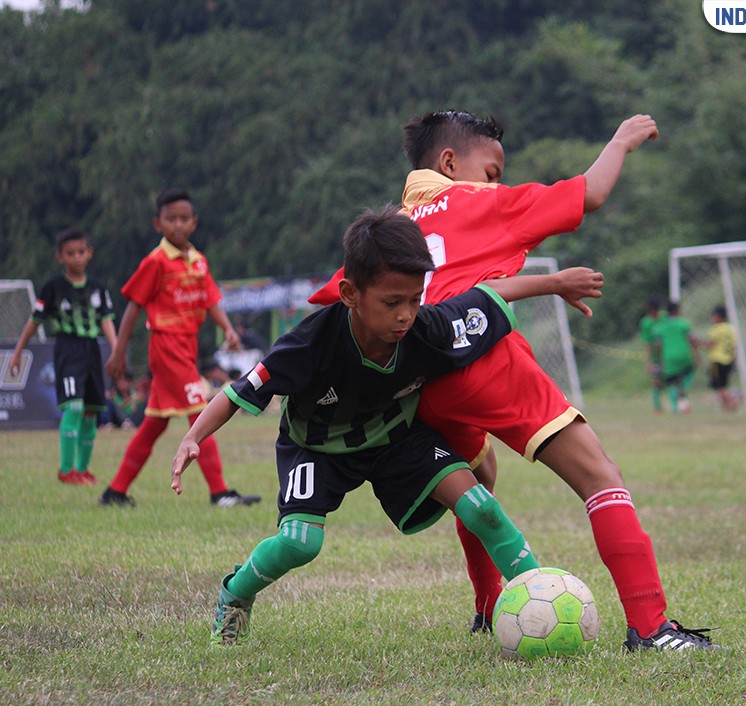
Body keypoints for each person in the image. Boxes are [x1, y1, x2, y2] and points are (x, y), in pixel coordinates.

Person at [309, 111, 720, 651]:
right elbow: (591, 193)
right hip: (480, 358)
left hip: (415, 382)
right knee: (599, 475)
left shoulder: (387, 236)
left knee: (478, 476)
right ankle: (651, 628)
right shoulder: (481, 202)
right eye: (492, 171)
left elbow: (331, 300)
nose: (496, 183)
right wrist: (621, 139)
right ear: (449, 163)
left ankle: (487, 608)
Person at [172, 207, 605, 645]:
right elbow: (237, 391)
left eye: (415, 299)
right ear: (350, 294)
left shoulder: (427, 328)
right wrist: (193, 436)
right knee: (300, 543)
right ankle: (235, 594)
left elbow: (487, 295)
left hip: (396, 438)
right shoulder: (308, 344)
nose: (406, 315)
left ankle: (537, 602)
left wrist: (555, 283)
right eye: (392, 302)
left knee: (482, 507)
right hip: (316, 448)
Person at [100, 188, 260, 508]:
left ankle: (115, 492)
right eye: (170, 219)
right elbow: (134, 306)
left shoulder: (198, 261)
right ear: (157, 224)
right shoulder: (155, 262)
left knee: (154, 425)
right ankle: (220, 493)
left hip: (187, 348)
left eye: (184, 218)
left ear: (194, 222)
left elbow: (210, 300)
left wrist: (228, 329)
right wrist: (118, 350)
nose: (178, 224)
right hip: (166, 348)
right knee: (201, 416)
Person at [8, 228, 117, 485]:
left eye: (81, 252)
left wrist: (116, 351)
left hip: (92, 350)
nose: (76, 257)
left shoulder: (98, 287)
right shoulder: (53, 288)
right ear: (60, 257)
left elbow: (106, 321)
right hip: (68, 349)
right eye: (70, 253)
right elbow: (35, 321)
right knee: (74, 406)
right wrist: (18, 352)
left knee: (90, 412)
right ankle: (66, 470)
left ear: (89, 253)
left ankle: (82, 469)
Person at [652, 301, 700, 415]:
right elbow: (692, 339)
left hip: (669, 358)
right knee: (688, 374)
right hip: (684, 356)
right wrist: (697, 354)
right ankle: (682, 396)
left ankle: (675, 406)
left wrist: (659, 359)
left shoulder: (661, 326)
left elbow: (658, 344)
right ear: (677, 311)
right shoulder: (683, 323)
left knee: (672, 383)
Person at [706, 305, 740, 412]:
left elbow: (711, 345)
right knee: (723, 385)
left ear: (719, 317)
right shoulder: (731, 328)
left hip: (718, 360)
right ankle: (726, 407)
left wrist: (699, 344)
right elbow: (735, 345)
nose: (712, 319)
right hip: (729, 360)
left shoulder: (716, 329)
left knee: (719, 386)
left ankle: (733, 401)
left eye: (713, 316)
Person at [639, 296, 665, 414]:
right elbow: (647, 344)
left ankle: (677, 404)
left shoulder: (664, 317)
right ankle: (657, 406)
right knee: (656, 381)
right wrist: (649, 361)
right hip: (655, 358)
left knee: (674, 379)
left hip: (668, 354)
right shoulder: (646, 323)